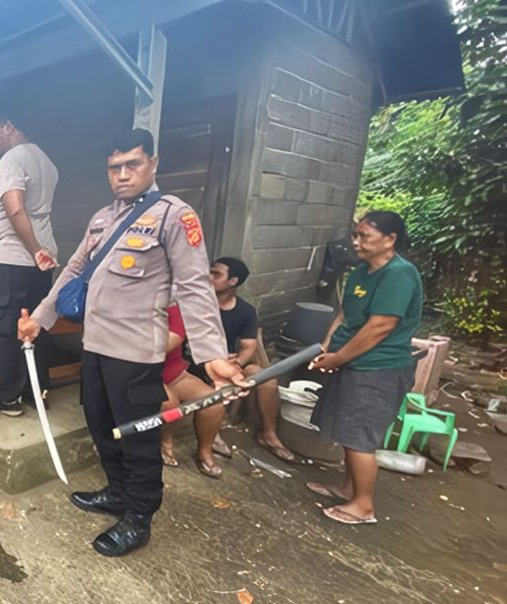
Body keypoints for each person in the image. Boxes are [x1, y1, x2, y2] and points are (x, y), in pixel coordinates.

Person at [18, 129, 246, 557]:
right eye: (114, 167)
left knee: (139, 438)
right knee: (101, 425)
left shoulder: (175, 216)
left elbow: (196, 287)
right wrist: (41, 320)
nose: (122, 175)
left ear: (153, 164)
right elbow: (72, 271)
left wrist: (213, 354)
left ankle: (139, 517)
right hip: (97, 348)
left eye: (132, 165)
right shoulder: (103, 218)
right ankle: (117, 493)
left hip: (138, 355)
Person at [305, 211, 422, 525]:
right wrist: (327, 348)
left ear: (390, 239)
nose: (355, 242)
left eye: (364, 236)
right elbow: (344, 315)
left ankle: (364, 506)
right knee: (347, 430)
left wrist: (339, 358)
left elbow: (380, 326)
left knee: (359, 436)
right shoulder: (359, 272)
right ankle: (348, 488)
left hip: (377, 369)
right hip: (351, 363)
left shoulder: (399, 274)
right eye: (354, 235)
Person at [0, 110, 60, 416]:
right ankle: (37, 392)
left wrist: (35, 249)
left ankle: (7, 397)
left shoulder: (12, 158)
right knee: (34, 327)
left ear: (9, 126)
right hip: (37, 263)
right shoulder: (46, 162)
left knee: (1, 329)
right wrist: (40, 253)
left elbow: (14, 208)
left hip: (11, 258)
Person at [209, 257, 295, 462]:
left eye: (216, 274)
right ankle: (212, 434)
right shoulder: (201, 304)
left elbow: (249, 346)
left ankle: (268, 434)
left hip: (230, 361)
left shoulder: (245, 311)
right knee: (222, 380)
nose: (209, 277)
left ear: (233, 281)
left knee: (265, 378)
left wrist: (237, 362)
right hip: (201, 361)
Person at [159, 304, 229, 477]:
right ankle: (165, 441)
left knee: (213, 401)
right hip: (141, 373)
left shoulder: (175, 307)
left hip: (172, 371)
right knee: (170, 405)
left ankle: (205, 451)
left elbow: (172, 340)